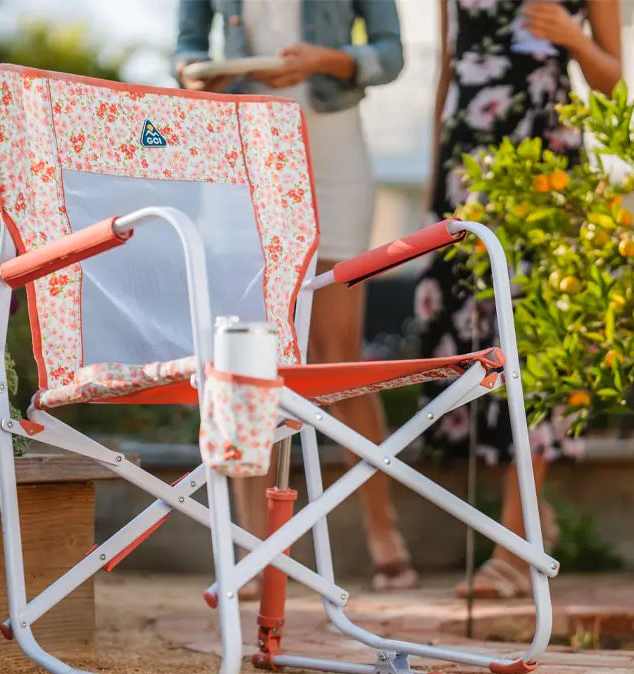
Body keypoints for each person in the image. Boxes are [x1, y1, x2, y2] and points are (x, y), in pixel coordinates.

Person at [175, 0, 417, 593]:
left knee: (340, 357)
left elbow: (390, 54)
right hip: (243, 148)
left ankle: (382, 531)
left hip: (333, 151)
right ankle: (257, 543)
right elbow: (185, 49)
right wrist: (201, 71)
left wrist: (324, 61)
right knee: (247, 355)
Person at [417, 0, 622, 598]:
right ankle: (528, 521)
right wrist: (437, 172)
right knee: (477, 336)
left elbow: (614, 83)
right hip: (466, 157)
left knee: (533, 332)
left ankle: (514, 539)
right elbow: (450, 64)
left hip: (543, 155)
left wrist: (574, 41)